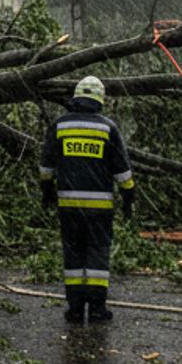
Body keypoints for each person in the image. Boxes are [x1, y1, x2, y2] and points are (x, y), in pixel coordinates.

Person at [39, 75, 135, 324]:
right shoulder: (107, 128)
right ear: (100, 100)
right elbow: (122, 172)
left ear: (76, 98)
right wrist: (128, 198)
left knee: (73, 254)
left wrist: (47, 192)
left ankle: (74, 308)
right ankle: (96, 308)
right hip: (100, 207)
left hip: (68, 205)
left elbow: (46, 166)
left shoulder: (60, 126)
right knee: (97, 254)